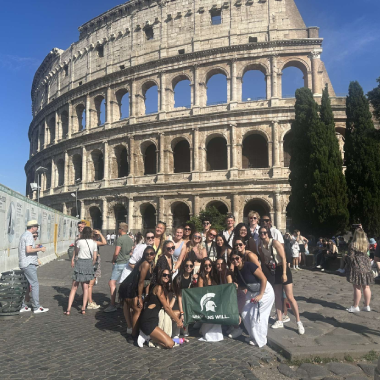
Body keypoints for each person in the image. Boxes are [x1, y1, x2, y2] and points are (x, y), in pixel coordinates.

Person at [258, 226, 305, 334]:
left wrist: (284, 273)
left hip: (283, 269)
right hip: (274, 270)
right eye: (261, 233)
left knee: (289, 296)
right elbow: (264, 260)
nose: (262, 234)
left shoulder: (274, 242)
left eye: (264, 232)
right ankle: (279, 320)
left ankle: (298, 322)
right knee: (277, 296)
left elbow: (283, 258)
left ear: (268, 233)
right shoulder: (260, 246)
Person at [231, 250, 274, 347]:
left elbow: (264, 278)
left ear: (241, 258)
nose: (235, 260)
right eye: (233, 259)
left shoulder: (249, 266)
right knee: (245, 313)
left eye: (237, 258)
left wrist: (261, 295)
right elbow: (244, 286)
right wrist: (236, 286)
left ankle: (261, 340)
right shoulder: (238, 270)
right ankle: (254, 336)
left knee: (256, 315)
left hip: (265, 291)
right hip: (252, 292)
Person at [137, 269, 183, 348]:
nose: (166, 277)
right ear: (160, 276)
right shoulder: (159, 287)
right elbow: (167, 308)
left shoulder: (164, 288)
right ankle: (146, 335)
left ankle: (150, 338)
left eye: (168, 275)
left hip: (155, 318)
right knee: (170, 344)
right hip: (148, 320)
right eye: (164, 275)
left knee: (177, 313)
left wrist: (174, 296)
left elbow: (169, 306)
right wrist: (178, 321)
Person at [119, 246, 156, 336]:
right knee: (137, 309)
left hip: (131, 287)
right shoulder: (146, 264)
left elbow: (148, 281)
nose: (149, 256)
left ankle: (131, 329)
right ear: (144, 255)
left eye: (151, 254)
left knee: (131, 307)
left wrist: (146, 295)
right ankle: (134, 333)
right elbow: (141, 282)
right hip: (130, 288)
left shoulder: (151, 264)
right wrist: (139, 297)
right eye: (147, 254)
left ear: (154, 255)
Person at [65, 226, 97, 315]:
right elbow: (94, 257)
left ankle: (68, 309)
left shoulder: (79, 242)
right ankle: (83, 308)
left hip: (80, 263)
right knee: (86, 288)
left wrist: (73, 260)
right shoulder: (94, 243)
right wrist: (92, 264)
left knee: (74, 287)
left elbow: (76, 252)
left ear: (83, 233)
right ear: (91, 233)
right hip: (88, 264)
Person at [18, 220, 48, 314]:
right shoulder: (29, 235)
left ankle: (22, 305)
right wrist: (40, 249)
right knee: (34, 284)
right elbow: (28, 250)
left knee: (25, 285)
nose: (37, 229)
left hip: (23, 263)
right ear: (33, 227)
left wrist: (36, 246)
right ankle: (36, 307)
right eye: (37, 227)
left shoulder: (24, 235)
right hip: (29, 263)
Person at [105, 223, 134, 312]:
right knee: (123, 283)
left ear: (120, 229)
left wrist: (113, 260)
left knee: (112, 283)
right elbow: (132, 251)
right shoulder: (130, 239)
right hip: (127, 263)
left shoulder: (120, 239)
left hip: (120, 263)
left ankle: (113, 304)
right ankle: (123, 303)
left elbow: (116, 253)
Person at [346, 228, 373, 313]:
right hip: (367, 266)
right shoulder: (366, 244)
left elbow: (351, 257)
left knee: (357, 287)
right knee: (366, 286)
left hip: (357, 266)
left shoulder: (353, 244)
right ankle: (367, 306)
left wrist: (345, 258)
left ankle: (355, 306)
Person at [197, 258, 223, 342]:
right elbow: (200, 291)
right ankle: (206, 332)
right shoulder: (201, 277)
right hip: (206, 300)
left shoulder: (215, 275)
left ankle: (216, 334)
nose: (207, 267)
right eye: (205, 265)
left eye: (209, 265)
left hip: (215, 300)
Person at [172, 259, 195, 337]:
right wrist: (182, 312)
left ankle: (184, 329)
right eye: (186, 266)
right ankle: (175, 332)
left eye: (191, 266)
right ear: (184, 267)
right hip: (176, 299)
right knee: (179, 314)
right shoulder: (179, 278)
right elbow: (179, 296)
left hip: (186, 300)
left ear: (193, 267)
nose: (189, 267)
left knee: (186, 313)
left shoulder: (192, 278)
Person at [87, 229, 107, 310]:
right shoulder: (94, 242)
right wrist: (101, 234)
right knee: (90, 284)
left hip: (87, 261)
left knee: (87, 283)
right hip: (94, 262)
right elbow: (104, 242)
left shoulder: (86, 241)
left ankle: (87, 299)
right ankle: (90, 302)